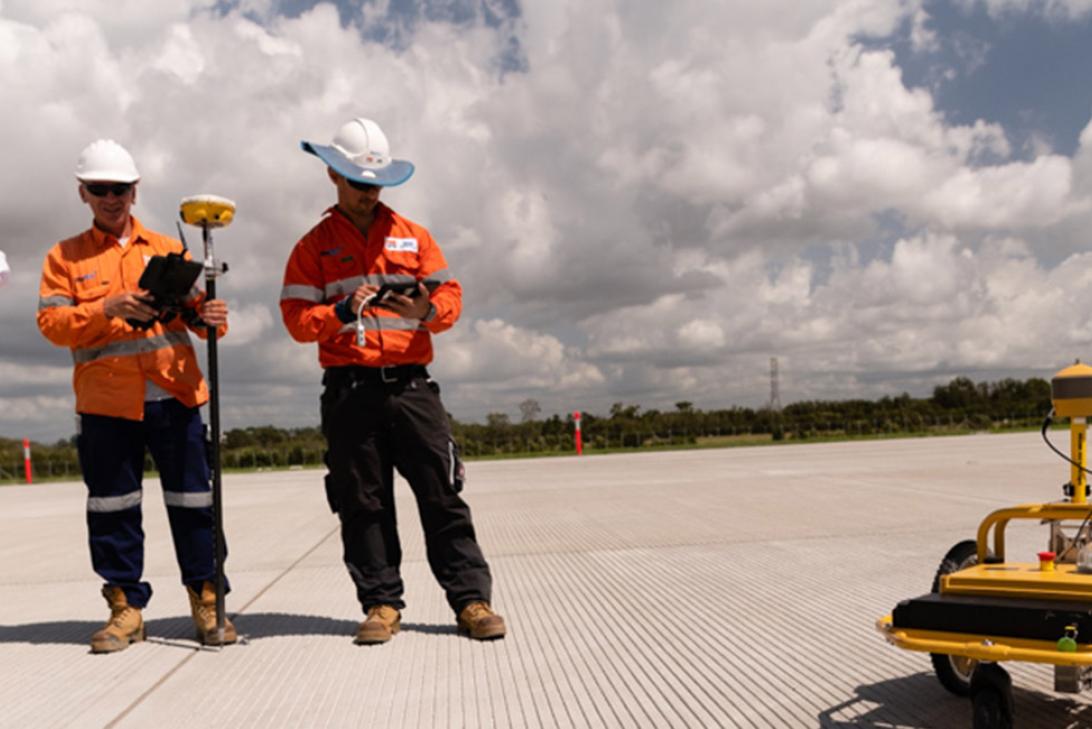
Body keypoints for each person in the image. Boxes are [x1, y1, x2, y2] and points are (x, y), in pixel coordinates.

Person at [280, 117, 506, 644]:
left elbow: (450, 299)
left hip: (411, 387)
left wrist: (427, 309)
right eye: (358, 183)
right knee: (363, 503)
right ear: (334, 177)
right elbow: (295, 320)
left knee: (442, 495)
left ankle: (471, 600)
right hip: (349, 391)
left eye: (375, 184)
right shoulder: (311, 247)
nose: (368, 194)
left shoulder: (413, 236)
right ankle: (381, 604)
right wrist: (337, 312)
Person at [37, 139, 236, 653]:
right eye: (100, 189)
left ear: (134, 190)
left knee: (195, 502)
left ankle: (207, 597)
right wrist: (107, 307)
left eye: (119, 188)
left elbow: (198, 315)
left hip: (176, 394)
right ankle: (126, 608)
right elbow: (52, 324)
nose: (111, 197)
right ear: (83, 193)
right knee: (112, 508)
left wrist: (210, 317)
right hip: (106, 404)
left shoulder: (169, 250)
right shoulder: (63, 257)